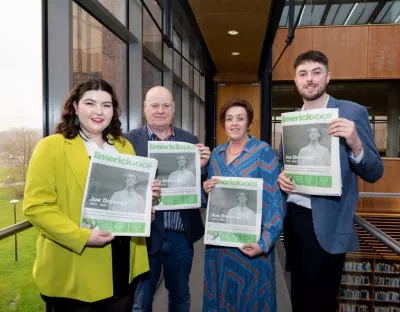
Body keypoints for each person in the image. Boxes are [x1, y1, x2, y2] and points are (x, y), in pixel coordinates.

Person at [23, 79, 161, 312]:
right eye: (90, 103)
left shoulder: (123, 146)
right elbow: (37, 207)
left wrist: (148, 199)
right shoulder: (52, 147)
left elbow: (130, 195)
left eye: (106, 105)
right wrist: (82, 236)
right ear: (75, 107)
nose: (99, 111)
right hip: (77, 263)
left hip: (123, 262)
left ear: (113, 111)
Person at [278, 50, 384, 312]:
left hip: (328, 222)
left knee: (322, 300)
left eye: (316, 72)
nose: (310, 79)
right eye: (303, 74)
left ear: (328, 77)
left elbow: (375, 172)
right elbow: (285, 164)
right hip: (294, 219)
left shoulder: (351, 112)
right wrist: (282, 176)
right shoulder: (292, 119)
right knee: (299, 294)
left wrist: (355, 142)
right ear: (295, 80)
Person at [125, 86, 211, 312]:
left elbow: (198, 186)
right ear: (145, 108)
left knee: (181, 297)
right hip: (144, 236)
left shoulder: (190, 140)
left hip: (180, 235)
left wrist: (201, 168)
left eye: (165, 105)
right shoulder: (127, 143)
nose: (160, 110)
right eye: (154, 105)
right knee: (140, 302)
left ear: (173, 108)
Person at [202, 98, 284, 311]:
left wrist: (264, 243)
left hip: (251, 245)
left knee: (251, 300)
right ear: (223, 123)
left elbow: (275, 200)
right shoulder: (216, 156)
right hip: (219, 247)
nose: (234, 123)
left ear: (249, 123)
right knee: (220, 298)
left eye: (240, 118)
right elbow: (214, 202)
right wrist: (207, 189)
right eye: (229, 119)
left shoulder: (262, 152)